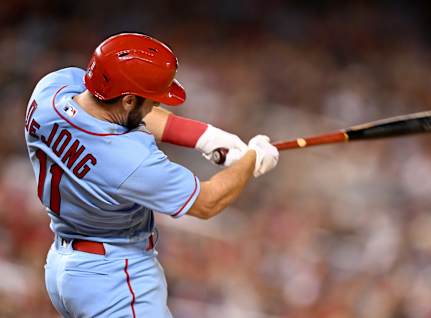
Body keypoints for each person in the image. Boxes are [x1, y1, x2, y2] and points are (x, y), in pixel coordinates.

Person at [24, 33, 279, 317]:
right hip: (113, 277)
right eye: (152, 100)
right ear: (130, 100)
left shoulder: (49, 91)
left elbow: (113, 105)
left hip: (65, 264)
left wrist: (203, 137)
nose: (156, 106)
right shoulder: (129, 159)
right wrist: (251, 159)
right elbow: (207, 202)